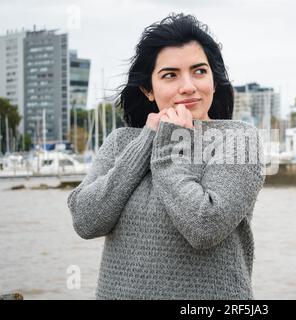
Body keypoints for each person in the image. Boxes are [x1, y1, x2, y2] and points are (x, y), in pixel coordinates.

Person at [67, 13, 265, 300]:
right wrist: (148, 138)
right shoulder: (120, 142)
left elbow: (204, 226)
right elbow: (86, 221)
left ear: (213, 79)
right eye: (170, 75)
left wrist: (169, 146)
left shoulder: (238, 140)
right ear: (148, 89)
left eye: (199, 71)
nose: (188, 85)